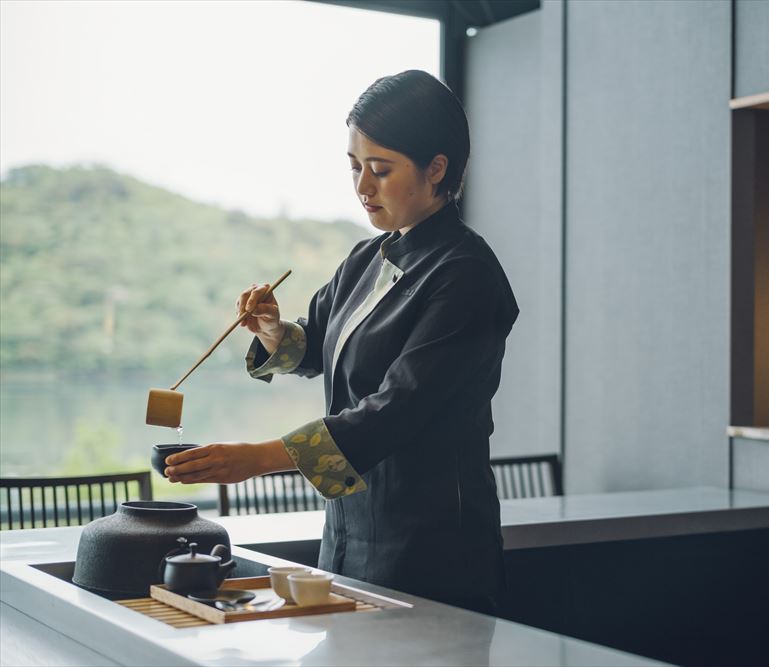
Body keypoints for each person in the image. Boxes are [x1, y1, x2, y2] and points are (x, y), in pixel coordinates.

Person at [164, 70, 519, 614]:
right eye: (355, 167)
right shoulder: (365, 259)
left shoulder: (466, 274)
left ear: (437, 169)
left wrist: (255, 459)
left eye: (380, 170)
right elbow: (317, 348)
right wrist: (276, 333)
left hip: (433, 545)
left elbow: (396, 410)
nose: (362, 187)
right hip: (350, 533)